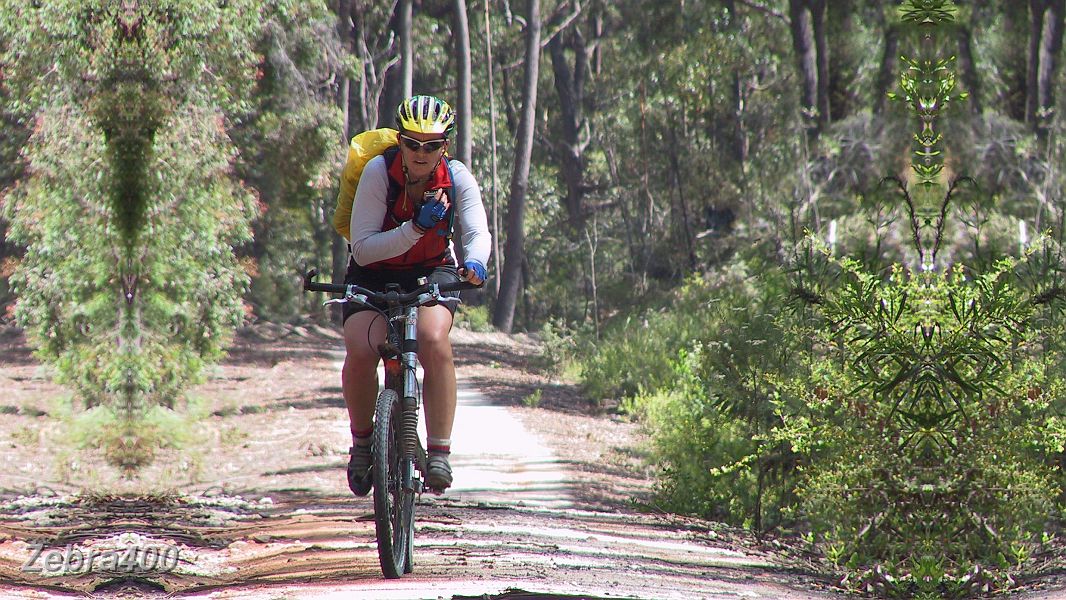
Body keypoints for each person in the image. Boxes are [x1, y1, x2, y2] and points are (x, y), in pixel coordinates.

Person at [340, 95, 491, 495]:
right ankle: (363, 443)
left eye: (431, 146)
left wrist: (475, 262)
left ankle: (439, 452)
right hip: (374, 270)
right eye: (411, 144)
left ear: (445, 146)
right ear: (400, 143)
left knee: (433, 338)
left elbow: (477, 232)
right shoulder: (378, 173)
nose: (420, 154)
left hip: (431, 268)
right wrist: (415, 230)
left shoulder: (457, 177)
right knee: (360, 346)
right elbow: (363, 247)